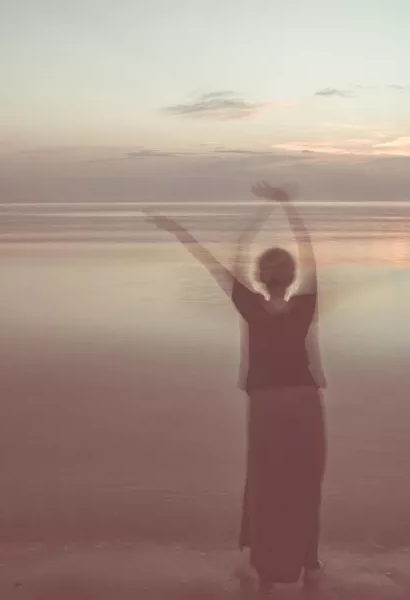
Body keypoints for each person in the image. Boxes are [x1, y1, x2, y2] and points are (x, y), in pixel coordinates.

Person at [145, 182, 326, 597]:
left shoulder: (248, 302)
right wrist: (285, 206)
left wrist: (179, 230)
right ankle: (310, 564)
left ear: (261, 277)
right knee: (304, 481)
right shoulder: (304, 306)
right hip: (302, 401)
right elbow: (307, 246)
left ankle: (266, 571)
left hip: (267, 403)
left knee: (266, 482)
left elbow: (216, 259)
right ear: (292, 276)